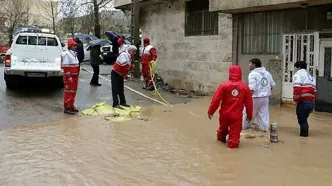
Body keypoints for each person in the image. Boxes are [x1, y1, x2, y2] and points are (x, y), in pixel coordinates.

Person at [208, 65, 253, 149]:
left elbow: (216, 100)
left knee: (222, 131)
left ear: (230, 73)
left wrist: (211, 111)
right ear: (240, 74)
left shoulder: (223, 86)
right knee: (234, 137)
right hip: (236, 116)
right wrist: (249, 115)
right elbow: (249, 104)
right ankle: (231, 156)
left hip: (224, 114)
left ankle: (220, 150)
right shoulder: (245, 88)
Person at [242, 58, 275, 132]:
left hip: (255, 98)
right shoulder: (267, 73)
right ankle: (264, 130)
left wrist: (246, 100)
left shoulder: (252, 74)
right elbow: (272, 84)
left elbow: (251, 88)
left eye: (250, 64)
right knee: (264, 115)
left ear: (254, 65)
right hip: (265, 98)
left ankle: (244, 128)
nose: (249, 65)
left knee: (247, 114)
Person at [293, 61, 316, 137]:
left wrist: (295, 100)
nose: (294, 69)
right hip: (311, 102)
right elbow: (314, 91)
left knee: (302, 119)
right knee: (304, 118)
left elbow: (297, 88)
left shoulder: (298, 74)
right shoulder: (311, 77)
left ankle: (303, 137)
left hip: (303, 101)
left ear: (298, 67)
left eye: (295, 67)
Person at [62, 39, 80, 115]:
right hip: (69, 77)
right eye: (74, 45)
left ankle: (71, 105)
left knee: (73, 92)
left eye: (76, 45)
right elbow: (66, 67)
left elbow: (76, 65)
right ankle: (67, 107)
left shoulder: (74, 54)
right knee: (68, 92)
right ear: (70, 46)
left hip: (75, 76)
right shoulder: (67, 54)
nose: (75, 46)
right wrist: (69, 77)